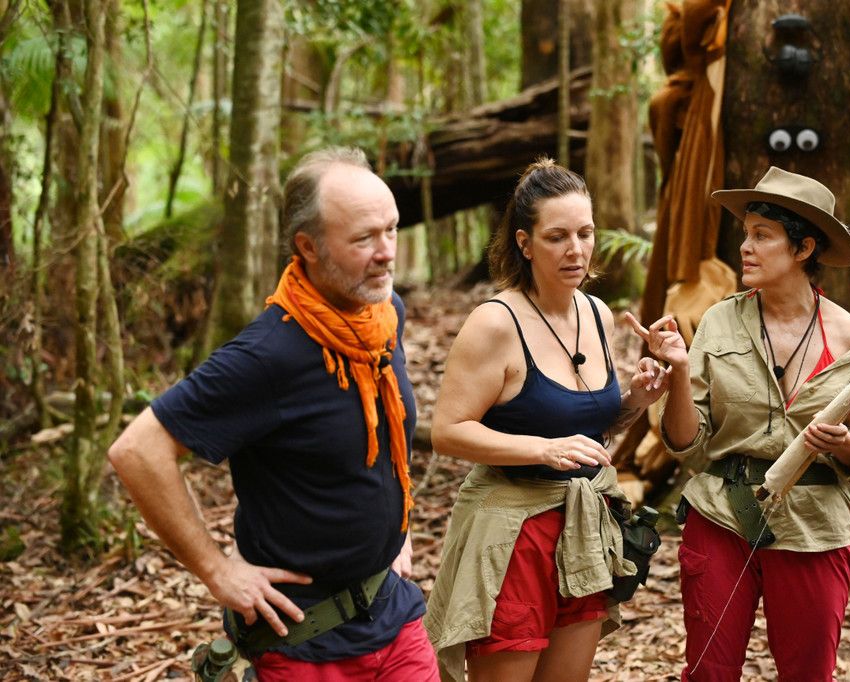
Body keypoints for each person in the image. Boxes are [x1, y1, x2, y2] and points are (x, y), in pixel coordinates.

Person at [107, 147, 440, 681]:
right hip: (305, 642)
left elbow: (379, 443)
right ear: (308, 246)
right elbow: (138, 450)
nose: (386, 253)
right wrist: (217, 572)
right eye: (363, 239)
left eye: (392, 230)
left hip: (393, 613)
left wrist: (395, 528)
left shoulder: (384, 314)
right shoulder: (268, 355)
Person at [628, 166, 850, 681]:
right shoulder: (720, 321)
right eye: (746, 234)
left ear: (803, 248)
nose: (745, 248)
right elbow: (687, 442)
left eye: (762, 236)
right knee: (709, 672)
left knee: (808, 673)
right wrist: (679, 372)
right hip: (721, 515)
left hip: (813, 527)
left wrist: (845, 444)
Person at [424, 159, 672, 682]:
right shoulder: (495, 322)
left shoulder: (597, 314)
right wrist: (541, 449)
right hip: (514, 535)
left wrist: (638, 398)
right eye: (557, 237)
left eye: (585, 233)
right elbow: (448, 431)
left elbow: (592, 431)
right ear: (525, 243)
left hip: (584, 528)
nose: (575, 250)